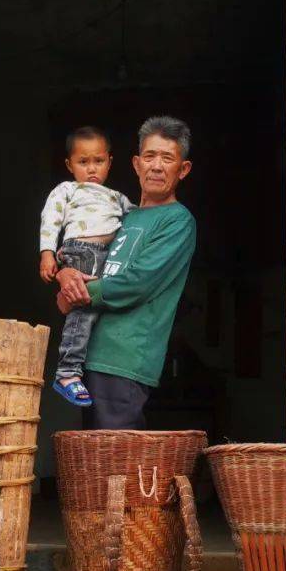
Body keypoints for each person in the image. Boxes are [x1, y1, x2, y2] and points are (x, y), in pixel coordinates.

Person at [55, 116, 196, 430]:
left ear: (182, 169)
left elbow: (137, 284)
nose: (156, 166)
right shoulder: (121, 217)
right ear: (136, 164)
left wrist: (76, 296)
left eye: (167, 158)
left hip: (126, 360)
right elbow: (84, 254)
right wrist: (66, 273)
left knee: (116, 462)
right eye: (149, 156)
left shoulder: (177, 221)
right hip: (89, 355)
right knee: (93, 461)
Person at [39, 126, 135, 407]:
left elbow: (138, 221)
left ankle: (85, 371)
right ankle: (67, 373)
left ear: (110, 161)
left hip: (108, 256)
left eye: (99, 161)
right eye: (83, 162)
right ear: (70, 165)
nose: (92, 169)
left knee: (96, 312)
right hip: (80, 251)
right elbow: (50, 220)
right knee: (82, 310)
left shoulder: (117, 197)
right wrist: (47, 254)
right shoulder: (67, 190)